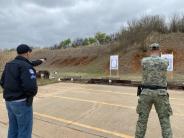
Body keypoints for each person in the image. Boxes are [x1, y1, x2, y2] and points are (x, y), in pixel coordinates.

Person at [0, 44, 46, 138]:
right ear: (28, 52)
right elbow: (31, 88)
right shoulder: (26, 66)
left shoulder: (9, 64)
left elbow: (2, 82)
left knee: (13, 128)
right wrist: (29, 95)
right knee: (24, 131)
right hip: (22, 103)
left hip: (9, 102)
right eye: (30, 53)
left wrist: (41, 60)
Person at [135, 43, 173, 138]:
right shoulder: (164, 61)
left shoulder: (144, 61)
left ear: (150, 50)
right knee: (165, 122)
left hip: (146, 93)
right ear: (159, 50)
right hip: (161, 94)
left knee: (142, 121)